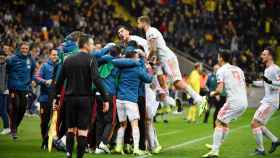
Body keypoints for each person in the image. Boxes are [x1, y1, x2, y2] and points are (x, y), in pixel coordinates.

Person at [137, 16, 208, 116]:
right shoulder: (152, 31)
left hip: (167, 59)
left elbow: (153, 49)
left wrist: (147, 60)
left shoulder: (150, 31)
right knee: (176, 84)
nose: (138, 25)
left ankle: (200, 99)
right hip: (165, 59)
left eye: (139, 23)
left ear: (144, 23)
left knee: (177, 82)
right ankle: (194, 100)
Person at [55, 34, 110, 158]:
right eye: (91, 44)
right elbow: (96, 79)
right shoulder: (91, 59)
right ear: (85, 45)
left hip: (69, 99)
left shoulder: (68, 59)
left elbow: (59, 81)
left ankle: (69, 154)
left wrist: (56, 98)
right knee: (82, 131)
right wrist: (105, 98)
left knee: (70, 129)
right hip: (85, 99)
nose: (92, 46)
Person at [202, 51, 248, 158]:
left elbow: (219, 89)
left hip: (233, 101)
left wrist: (212, 93)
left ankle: (214, 150)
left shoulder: (221, 70)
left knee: (218, 121)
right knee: (225, 122)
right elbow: (244, 86)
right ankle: (216, 145)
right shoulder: (238, 69)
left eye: (218, 57)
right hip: (244, 101)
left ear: (221, 58)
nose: (217, 58)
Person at [113, 46, 153, 156]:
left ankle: (118, 147)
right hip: (131, 100)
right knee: (135, 125)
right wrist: (150, 69)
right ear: (134, 57)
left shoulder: (121, 67)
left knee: (122, 125)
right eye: (137, 56)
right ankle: (136, 149)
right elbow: (149, 79)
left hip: (119, 99)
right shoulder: (137, 69)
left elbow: (115, 76)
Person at [251, 47, 280, 155]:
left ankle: (261, 150)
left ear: (270, 56)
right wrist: (252, 82)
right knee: (258, 124)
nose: (261, 56)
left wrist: (270, 81)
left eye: (264, 54)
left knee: (254, 123)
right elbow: (265, 84)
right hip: (268, 101)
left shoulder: (275, 68)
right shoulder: (267, 69)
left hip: (271, 101)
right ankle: (275, 141)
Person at [6, 42, 36, 139]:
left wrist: (30, 82)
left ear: (28, 50)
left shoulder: (30, 60)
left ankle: (14, 127)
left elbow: (32, 71)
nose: (24, 50)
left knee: (23, 109)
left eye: (26, 48)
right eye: (23, 48)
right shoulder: (12, 59)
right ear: (19, 49)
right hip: (14, 87)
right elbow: (5, 70)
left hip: (24, 89)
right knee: (16, 106)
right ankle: (13, 130)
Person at [35, 49, 58, 149]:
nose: (55, 56)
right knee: (44, 121)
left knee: (54, 121)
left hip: (55, 99)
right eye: (53, 55)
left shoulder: (60, 66)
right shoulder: (44, 66)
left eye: (56, 55)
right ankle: (44, 141)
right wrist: (45, 81)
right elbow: (36, 77)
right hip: (45, 98)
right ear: (49, 55)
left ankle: (50, 141)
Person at [0, 50, 10, 135]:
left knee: (2, 110)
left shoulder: (7, 66)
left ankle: (7, 127)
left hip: (4, 91)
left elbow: (7, 79)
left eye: (3, 56)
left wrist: (7, 89)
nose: (2, 58)